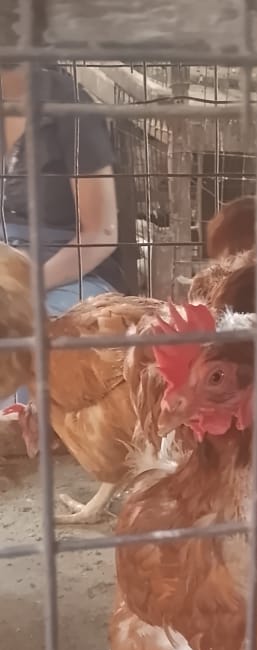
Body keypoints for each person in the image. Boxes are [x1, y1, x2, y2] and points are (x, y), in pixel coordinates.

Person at [0, 62, 125, 407]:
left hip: (71, 271)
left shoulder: (70, 107)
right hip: (6, 271)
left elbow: (101, 233)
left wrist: (26, 287)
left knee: (26, 343)